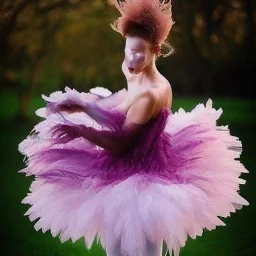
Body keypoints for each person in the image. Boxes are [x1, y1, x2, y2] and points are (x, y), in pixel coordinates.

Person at [19, 1, 249, 256]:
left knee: (147, 248)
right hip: (115, 170)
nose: (130, 59)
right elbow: (123, 97)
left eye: (139, 52)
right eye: (127, 51)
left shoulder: (152, 94)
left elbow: (121, 143)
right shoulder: (132, 70)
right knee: (114, 250)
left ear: (156, 50)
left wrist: (81, 130)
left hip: (147, 174)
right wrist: (86, 105)